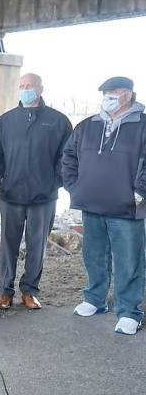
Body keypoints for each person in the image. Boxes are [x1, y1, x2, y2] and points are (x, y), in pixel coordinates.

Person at [62, 76, 146, 335]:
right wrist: (74, 186)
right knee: (94, 255)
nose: (109, 97)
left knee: (128, 260)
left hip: (127, 207)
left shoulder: (142, 125)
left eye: (115, 92)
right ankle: (95, 299)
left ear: (129, 96)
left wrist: (140, 191)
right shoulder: (87, 125)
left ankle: (130, 311)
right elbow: (68, 156)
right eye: (106, 93)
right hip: (91, 203)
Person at [0, 73, 72, 310]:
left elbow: (67, 156)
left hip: (43, 197)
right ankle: (4, 291)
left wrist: (54, 181)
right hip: (10, 195)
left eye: (30, 86)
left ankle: (30, 291)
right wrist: (1, 180)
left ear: (40, 89)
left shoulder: (58, 121)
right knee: (8, 244)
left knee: (37, 245)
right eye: (21, 86)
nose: (25, 90)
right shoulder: (5, 121)